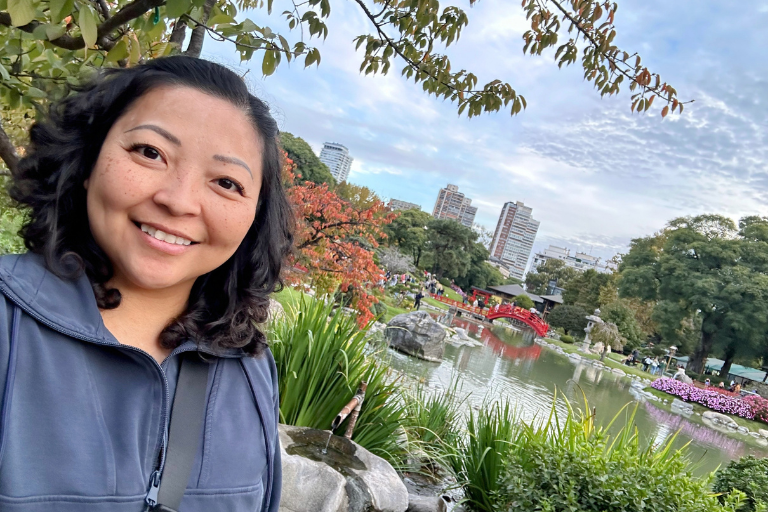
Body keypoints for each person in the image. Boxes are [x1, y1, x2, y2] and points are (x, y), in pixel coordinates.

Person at [0, 57, 291, 511]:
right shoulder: (8, 324)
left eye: (227, 182)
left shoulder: (251, 370)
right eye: (150, 153)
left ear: (254, 217)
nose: (178, 201)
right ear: (87, 160)